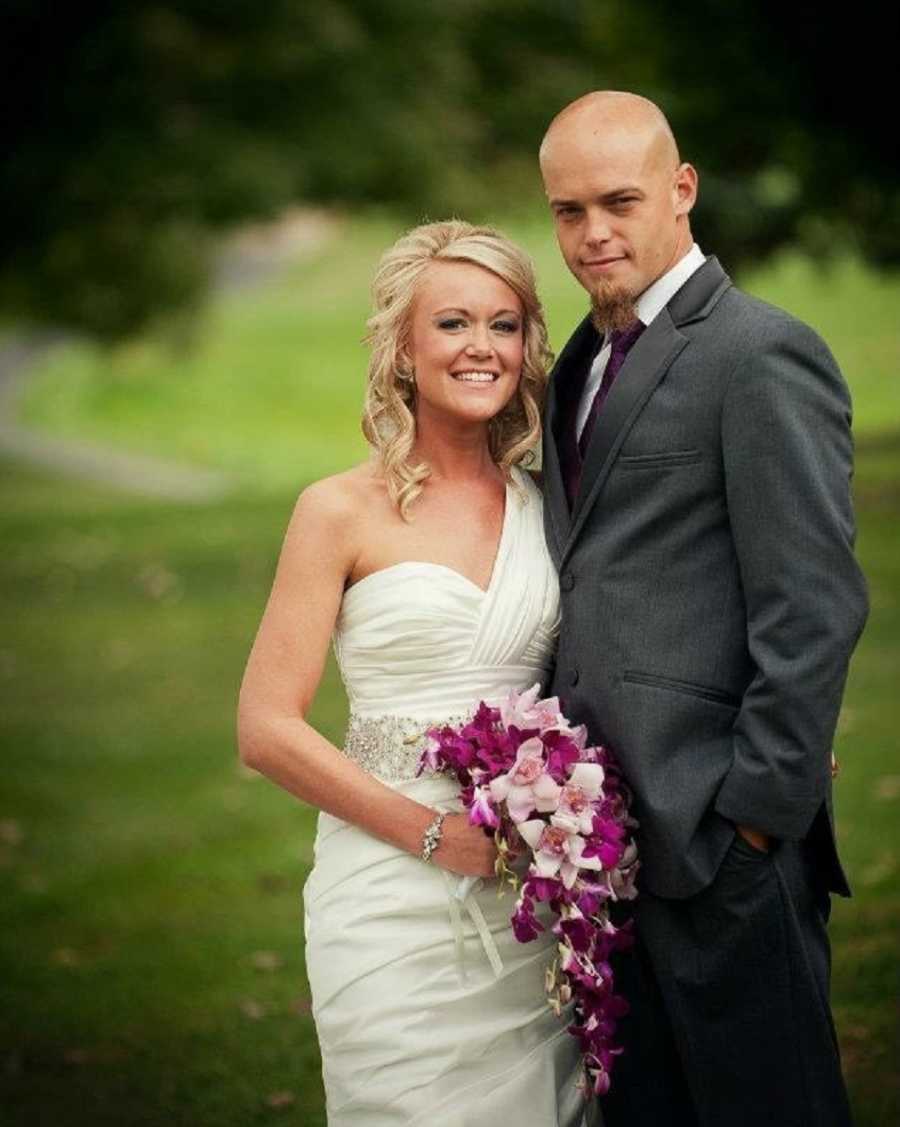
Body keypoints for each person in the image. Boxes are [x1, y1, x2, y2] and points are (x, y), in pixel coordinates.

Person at [538, 90, 869, 1126]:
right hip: (603, 847)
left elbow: (813, 602)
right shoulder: (581, 363)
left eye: (619, 200)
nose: (593, 234)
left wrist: (757, 820)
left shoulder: (759, 352)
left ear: (681, 191)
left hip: (720, 840)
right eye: (566, 210)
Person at [238, 220, 596, 1126]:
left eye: (505, 325)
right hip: (388, 894)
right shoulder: (336, 511)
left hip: (530, 894)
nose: (482, 347)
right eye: (453, 323)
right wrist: (433, 836)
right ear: (403, 345)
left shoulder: (553, 507)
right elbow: (266, 728)